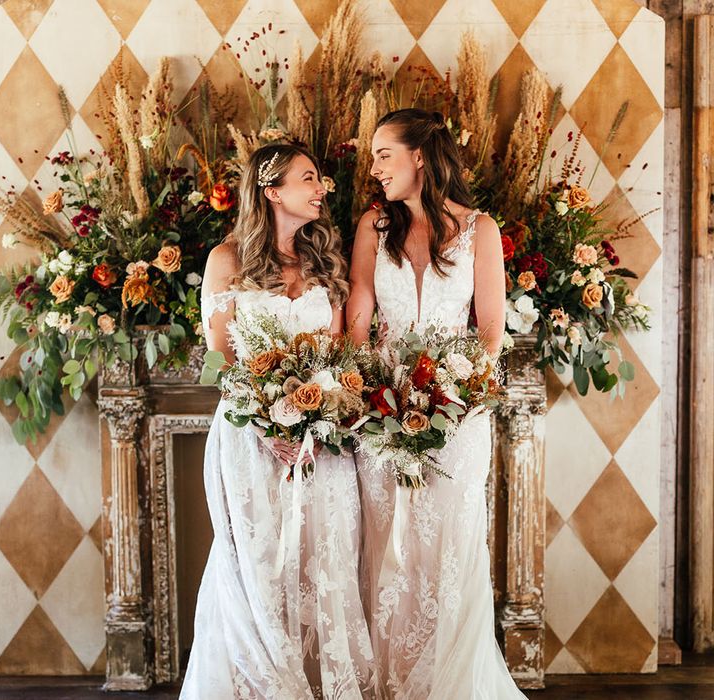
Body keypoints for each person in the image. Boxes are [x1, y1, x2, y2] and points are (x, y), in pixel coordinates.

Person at [180, 143, 375, 699]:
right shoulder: (227, 260)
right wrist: (268, 424)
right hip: (249, 439)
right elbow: (219, 359)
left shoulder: (324, 262)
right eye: (309, 178)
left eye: (320, 180)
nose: (321, 189)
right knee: (259, 564)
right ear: (270, 191)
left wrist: (317, 420)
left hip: (320, 443)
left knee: (323, 559)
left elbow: (338, 357)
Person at [346, 108, 526, 699]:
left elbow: (491, 332)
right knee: (387, 547)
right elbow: (359, 321)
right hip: (382, 414)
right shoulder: (372, 227)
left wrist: (455, 394)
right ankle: (390, 684)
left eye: (383, 155)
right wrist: (367, 393)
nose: (374, 170)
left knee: (448, 550)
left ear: (419, 157)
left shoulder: (480, 229)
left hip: (457, 419)